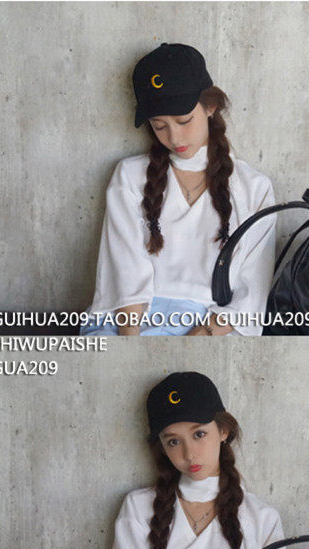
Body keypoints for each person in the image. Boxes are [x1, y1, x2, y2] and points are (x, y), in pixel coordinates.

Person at [82, 43, 277, 336]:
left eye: (184, 121)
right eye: (159, 126)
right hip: (127, 324)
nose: (174, 137)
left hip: (210, 329)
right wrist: (132, 353)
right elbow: (125, 280)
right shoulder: (130, 176)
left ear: (210, 106)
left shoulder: (254, 188)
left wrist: (193, 342)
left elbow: (251, 295)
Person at [104, 371, 286, 549]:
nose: (189, 454)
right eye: (173, 442)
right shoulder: (138, 509)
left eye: (199, 434)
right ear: (161, 446)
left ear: (223, 430)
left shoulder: (264, 521)